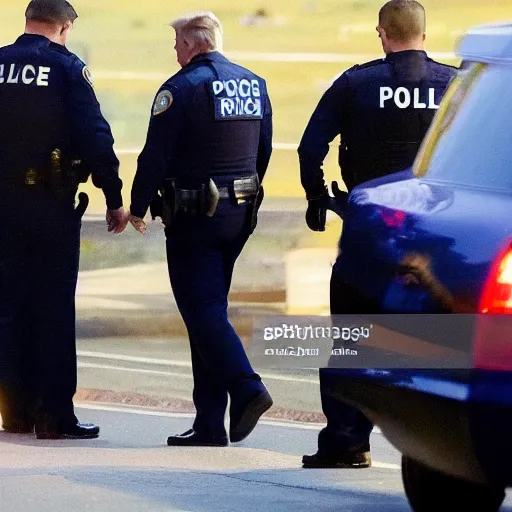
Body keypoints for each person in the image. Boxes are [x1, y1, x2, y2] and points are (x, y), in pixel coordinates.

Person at [298, 0, 458, 468]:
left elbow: (311, 148)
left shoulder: (356, 83)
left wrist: (316, 198)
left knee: (352, 336)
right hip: (436, 234)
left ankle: (347, 440)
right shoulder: (453, 85)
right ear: (423, 37)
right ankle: (439, 448)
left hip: (370, 229)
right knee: (439, 340)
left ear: (382, 34)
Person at [129, 11, 273, 446]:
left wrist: (136, 207)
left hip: (196, 217)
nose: (174, 51)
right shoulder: (253, 83)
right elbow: (262, 151)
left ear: (193, 44)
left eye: (177, 43)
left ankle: (247, 387)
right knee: (210, 310)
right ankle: (209, 422)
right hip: (240, 214)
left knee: (202, 310)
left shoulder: (181, 89)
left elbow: (155, 156)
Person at [0, 0, 127, 439]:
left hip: (2, 206)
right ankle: (53, 415)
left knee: (9, 305)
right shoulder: (67, 68)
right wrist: (113, 195)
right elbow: (94, 134)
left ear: (28, 22)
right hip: (49, 203)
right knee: (52, 307)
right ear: (65, 27)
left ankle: (14, 410)